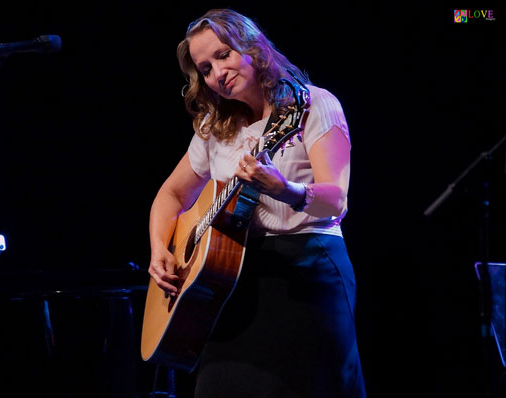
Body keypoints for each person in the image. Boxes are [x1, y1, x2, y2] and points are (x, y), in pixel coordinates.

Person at [147, 8, 366, 398]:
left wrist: (285, 189)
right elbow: (172, 194)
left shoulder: (313, 105)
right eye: (205, 68)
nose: (216, 73)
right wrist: (161, 247)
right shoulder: (215, 127)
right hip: (231, 283)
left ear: (254, 48)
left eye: (223, 54)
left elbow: (336, 200)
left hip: (306, 271)